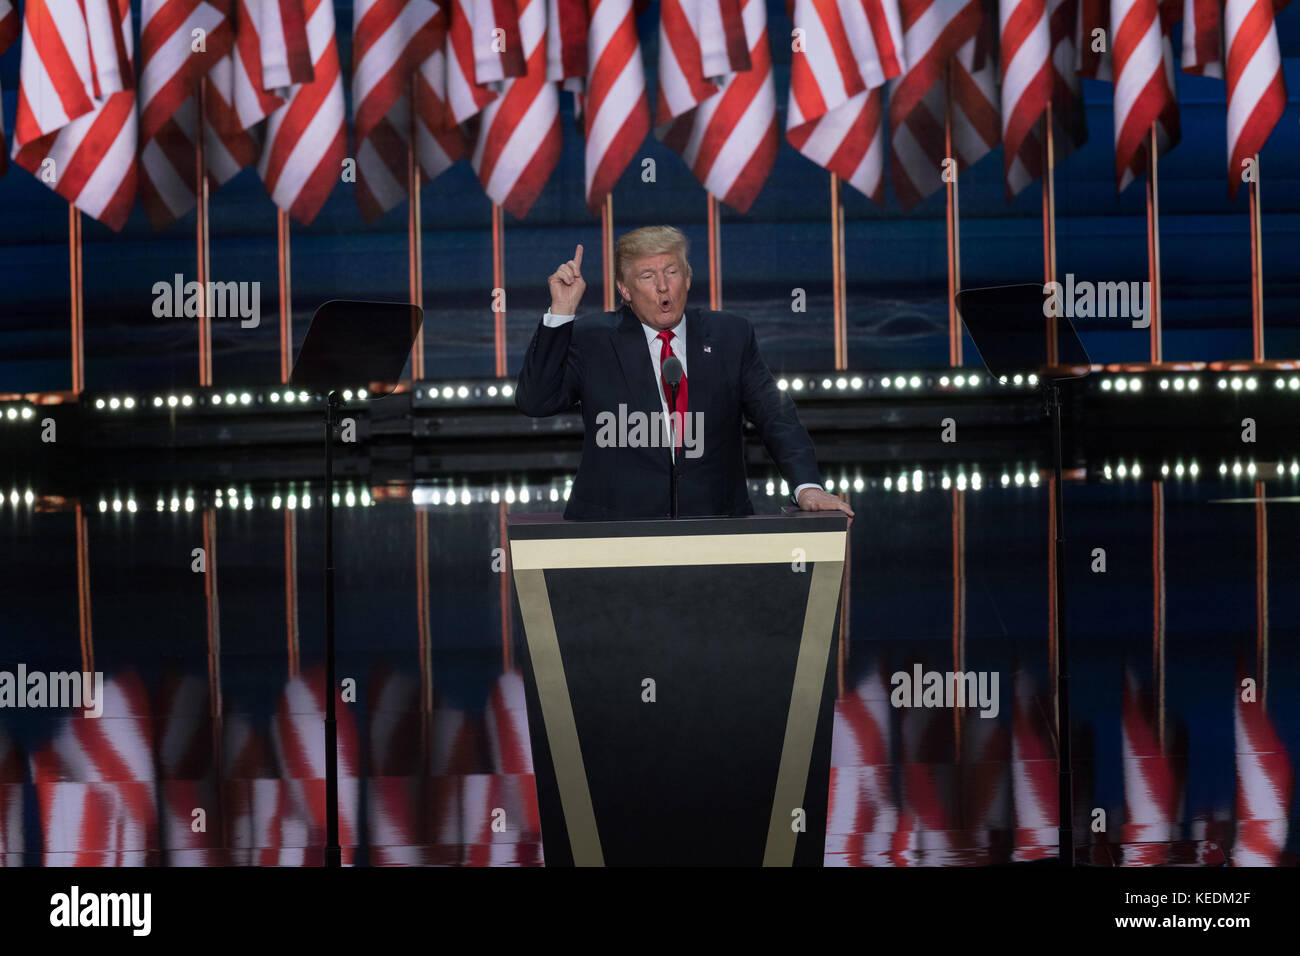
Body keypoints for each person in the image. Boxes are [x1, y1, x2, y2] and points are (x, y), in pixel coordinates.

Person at [515, 225, 854, 523]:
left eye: (672, 272)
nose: (663, 287)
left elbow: (775, 416)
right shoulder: (593, 339)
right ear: (625, 290)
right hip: (615, 532)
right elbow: (536, 401)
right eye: (647, 276)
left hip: (716, 526)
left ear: (688, 277)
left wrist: (806, 486)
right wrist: (561, 313)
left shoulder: (730, 336)